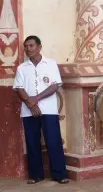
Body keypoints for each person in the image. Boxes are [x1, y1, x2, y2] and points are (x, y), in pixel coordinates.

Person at [13, 35, 68, 184]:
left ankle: (59, 174)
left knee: (53, 141)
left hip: (49, 109)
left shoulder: (50, 64)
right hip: (28, 111)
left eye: (31, 46)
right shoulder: (22, 68)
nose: (28, 49)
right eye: (26, 46)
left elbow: (54, 85)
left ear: (39, 47)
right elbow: (18, 88)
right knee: (32, 142)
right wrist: (31, 105)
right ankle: (36, 174)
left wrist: (35, 99)